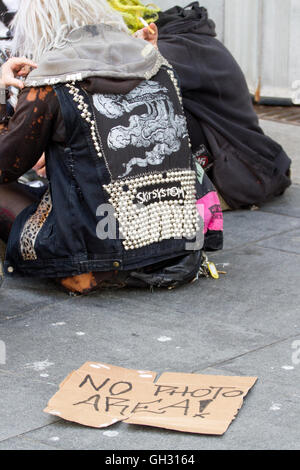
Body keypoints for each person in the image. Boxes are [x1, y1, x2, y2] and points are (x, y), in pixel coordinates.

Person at [0, 0, 223, 294]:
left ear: (40, 28)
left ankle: (81, 268)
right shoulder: (157, 63)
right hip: (177, 243)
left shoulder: (51, 81)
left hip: (97, 256)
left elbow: (5, 165)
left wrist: (4, 93)